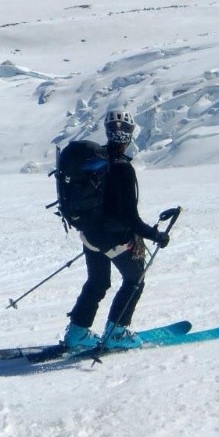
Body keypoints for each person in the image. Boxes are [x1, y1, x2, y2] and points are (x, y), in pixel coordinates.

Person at [64, 108, 170, 350]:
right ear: (130, 135)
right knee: (134, 280)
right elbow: (130, 217)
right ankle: (116, 333)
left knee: (97, 282)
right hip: (114, 239)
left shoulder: (96, 162)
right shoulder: (122, 168)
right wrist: (156, 235)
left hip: (90, 234)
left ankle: (77, 334)